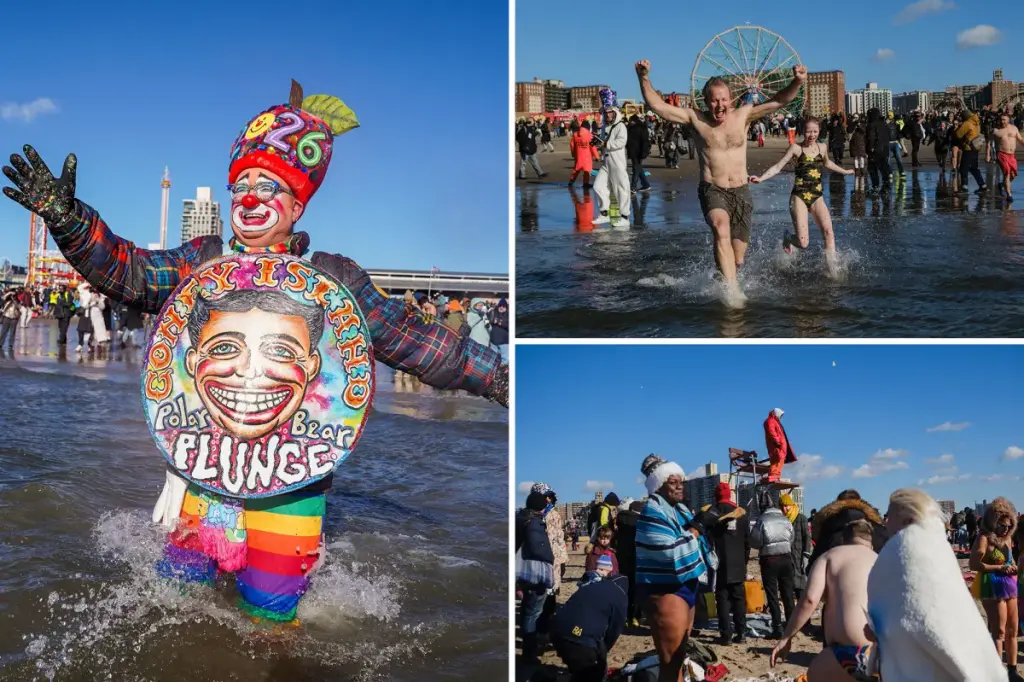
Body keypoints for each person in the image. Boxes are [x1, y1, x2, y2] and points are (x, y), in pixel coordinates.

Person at [2, 82, 508, 624]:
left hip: (292, 484)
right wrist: (69, 220)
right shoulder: (204, 260)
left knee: (270, 621)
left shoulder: (334, 278)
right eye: (240, 184)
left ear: (296, 204)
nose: (249, 198)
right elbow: (128, 270)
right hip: (202, 471)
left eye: (267, 186)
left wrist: (497, 377)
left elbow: (413, 340)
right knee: (174, 607)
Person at [634, 59, 807, 297]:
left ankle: (722, 280)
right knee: (720, 228)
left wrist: (797, 81)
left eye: (724, 99)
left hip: (741, 192)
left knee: (737, 261)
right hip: (713, 189)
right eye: (714, 100)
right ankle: (733, 294)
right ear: (706, 101)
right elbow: (657, 106)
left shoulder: (743, 116)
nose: (720, 104)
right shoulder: (695, 119)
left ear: (731, 100)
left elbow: (779, 100)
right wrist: (643, 77)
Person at [868, 489, 1006, 682]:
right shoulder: (937, 546)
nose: (885, 522)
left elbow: (915, 616)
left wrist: (879, 628)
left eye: (890, 516)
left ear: (907, 520)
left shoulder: (906, 548)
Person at [635, 454, 718, 682]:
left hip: (684, 587)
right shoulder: (652, 511)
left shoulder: (678, 509)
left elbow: (690, 539)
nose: (680, 486)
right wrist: (697, 527)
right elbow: (669, 553)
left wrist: (703, 526)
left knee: (680, 655)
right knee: (671, 662)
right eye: (673, 482)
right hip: (665, 590)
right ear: (659, 486)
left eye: (681, 481)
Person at [770, 519, 879, 682]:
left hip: (846, 652)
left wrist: (786, 637)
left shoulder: (830, 556)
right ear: (871, 543)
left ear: (844, 540)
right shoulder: (879, 559)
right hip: (880, 653)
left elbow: (809, 600)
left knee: (814, 675)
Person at [750, 118, 852, 273]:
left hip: (817, 196)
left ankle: (832, 269)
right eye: (808, 131)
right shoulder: (795, 148)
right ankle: (788, 238)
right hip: (799, 197)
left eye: (815, 131)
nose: (812, 135)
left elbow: (827, 164)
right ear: (803, 131)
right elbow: (778, 166)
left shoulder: (822, 147)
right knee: (803, 243)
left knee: (828, 232)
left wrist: (845, 171)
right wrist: (761, 178)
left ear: (819, 131)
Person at [548, 568, 629, 682]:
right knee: (593, 674)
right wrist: (603, 652)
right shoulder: (621, 597)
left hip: (556, 629)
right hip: (579, 638)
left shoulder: (592, 585)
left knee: (578, 666)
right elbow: (614, 630)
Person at [970, 497, 1019, 676]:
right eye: (1001, 525)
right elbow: (974, 564)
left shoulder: (1007, 539)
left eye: (1008, 526)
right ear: (993, 522)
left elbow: (1010, 558)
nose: (1005, 529)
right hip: (991, 585)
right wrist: (1000, 567)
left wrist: (1012, 566)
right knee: (999, 630)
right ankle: (997, 672)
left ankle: (1012, 670)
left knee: (1013, 630)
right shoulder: (984, 538)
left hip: (1009, 584)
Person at [706, 482, 749, 644]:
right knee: (738, 598)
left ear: (716, 496)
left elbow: (708, 539)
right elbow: (747, 542)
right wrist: (744, 562)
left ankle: (726, 635)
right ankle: (741, 633)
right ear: (729, 494)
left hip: (720, 562)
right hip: (738, 562)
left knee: (722, 599)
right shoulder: (741, 514)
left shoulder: (712, 513)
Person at [516, 490, 555, 662]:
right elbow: (538, 547)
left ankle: (528, 647)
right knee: (533, 612)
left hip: (523, 573)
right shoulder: (534, 523)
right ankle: (530, 651)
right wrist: (550, 558)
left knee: (527, 610)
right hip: (535, 573)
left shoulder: (521, 518)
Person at [750, 492, 796, 638]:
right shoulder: (785, 519)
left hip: (769, 560)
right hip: (786, 558)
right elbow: (792, 538)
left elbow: (755, 542)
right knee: (788, 593)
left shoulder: (761, 520)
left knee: (772, 594)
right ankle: (791, 625)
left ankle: (777, 627)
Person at [809, 489, 885, 569]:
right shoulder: (879, 531)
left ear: (836, 504)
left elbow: (812, 567)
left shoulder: (827, 530)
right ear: (861, 502)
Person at [592, 107, 631, 229]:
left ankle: (625, 217)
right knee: (598, 186)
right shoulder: (606, 127)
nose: (608, 115)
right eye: (606, 113)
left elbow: (621, 142)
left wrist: (605, 144)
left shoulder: (620, 126)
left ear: (615, 113)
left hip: (617, 161)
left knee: (621, 188)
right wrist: (598, 142)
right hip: (607, 161)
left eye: (610, 112)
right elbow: (605, 142)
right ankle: (604, 213)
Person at [615, 499, 645, 627]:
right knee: (636, 589)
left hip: (621, 556)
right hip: (636, 557)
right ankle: (635, 617)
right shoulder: (640, 521)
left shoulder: (619, 520)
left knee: (623, 586)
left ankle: (623, 616)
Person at [781, 493, 811, 603]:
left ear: (791, 505)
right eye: (782, 506)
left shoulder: (801, 518)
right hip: (787, 557)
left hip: (799, 557)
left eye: (786, 505)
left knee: (801, 589)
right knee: (788, 589)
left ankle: (805, 619)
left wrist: (806, 555)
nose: (785, 508)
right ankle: (792, 618)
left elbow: (807, 537)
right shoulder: (782, 520)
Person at [988, 112, 1023, 201]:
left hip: (1012, 155)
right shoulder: (996, 130)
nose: (1002, 121)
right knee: (1007, 173)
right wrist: (988, 155)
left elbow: (1020, 139)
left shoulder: (1014, 128)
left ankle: (1002, 185)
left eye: (1004, 120)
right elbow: (988, 142)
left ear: (1009, 120)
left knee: (1013, 175)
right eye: (1001, 120)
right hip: (1002, 154)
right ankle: (1009, 195)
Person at [953, 109, 987, 194]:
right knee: (974, 168)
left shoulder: (967, 123)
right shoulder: (976, 122)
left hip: (968, 148)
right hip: (976, 147)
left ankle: (964, 187)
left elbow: (958, 135)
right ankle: (982, 185)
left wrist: (958, 128)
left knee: (963, 169)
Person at [762, 408, 797, 483]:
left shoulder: (774, 421)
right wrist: (777, 441)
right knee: (777, 461)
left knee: (779, 462)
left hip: (779, 446)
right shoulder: (770, 421)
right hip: (777, 446)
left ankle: (775, 477)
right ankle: (774, 477)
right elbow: (771, 431)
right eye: (780, 415)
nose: (781, 417)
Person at [865, 108, 891, 195]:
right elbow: (888, 135)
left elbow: (871, 137)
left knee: (872, 169)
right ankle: (886, 187)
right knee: (884, 168)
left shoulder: (871, 125)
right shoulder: (883, 124)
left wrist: (870, 148)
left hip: (875, 151)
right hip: (885, 149)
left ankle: (875, 187)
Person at [568, 121, 599, 188]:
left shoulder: (575, 134)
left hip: (578, 156)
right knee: (587, 170)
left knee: (576, 169)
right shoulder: (589, 135)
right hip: (587, 156)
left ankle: (571, 182)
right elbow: (592, 147)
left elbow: (572, 145)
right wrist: (597, 156)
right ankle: (586, 183)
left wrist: (573, 154)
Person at [487, 298, 509, 363]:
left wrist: (500, 323)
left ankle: (503, 370)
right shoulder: (492, 312)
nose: (501, 307)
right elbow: (486, 318)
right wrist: (487, 325)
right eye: (500, 305)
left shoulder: (509, 315)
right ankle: (493, 370)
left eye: (503, 306)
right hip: (493, 340)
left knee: (505, 358)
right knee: (493, 358)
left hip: (504, 341)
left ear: (506, 307)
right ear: (498, 306)